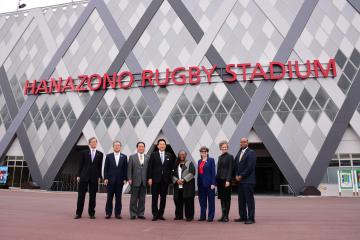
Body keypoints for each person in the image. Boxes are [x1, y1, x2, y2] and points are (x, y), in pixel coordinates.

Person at [75, 137, 103, 219]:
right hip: (83, 176)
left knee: (93, 196)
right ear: (89, 143)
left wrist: (99, 176)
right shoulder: (83, 152)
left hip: (94, 177)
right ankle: (78, 213)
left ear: (96, 143)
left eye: (95, 142)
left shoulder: (100, 154)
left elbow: (99, 167)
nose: (94, 143)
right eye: (92, 142)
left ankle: (91, 213)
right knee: (81, 196)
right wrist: (78, 175)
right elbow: (80, 165)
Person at [147, 139, 175, 221]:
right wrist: (150, 178)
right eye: (160, 144)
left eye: (163, 144)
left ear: (165, 146)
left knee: (163, 198)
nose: (162, 145)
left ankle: (161, 214)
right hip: (155, 180)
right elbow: (150, 167)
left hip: (165, 180)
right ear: (158, 146)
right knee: (154, 198)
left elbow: (171, 168)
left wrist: (171, 179)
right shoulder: (153, 154)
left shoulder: (169, 155)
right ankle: (155, 214)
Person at [234, 138, 256, 224]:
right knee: (241, 200)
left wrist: (241, 175)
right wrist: (236, 175)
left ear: (247, 143)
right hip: (240, 181)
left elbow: (250, 167)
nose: (242, 143)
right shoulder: (239, 153)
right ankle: (243, 216)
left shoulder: (251, 152)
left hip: (248, 181)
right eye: (241, 142)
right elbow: (236, 166)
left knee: (249, 200)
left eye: (244, 142)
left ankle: (251, 218)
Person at [103, 140, 128, 219]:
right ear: (113, 147)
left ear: (120, 147)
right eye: (115, 145)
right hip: (110, 181)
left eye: (118, 145)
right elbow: (106, 168)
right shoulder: (108, 156)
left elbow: (125, 169)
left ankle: (118, 213)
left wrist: (125, 178)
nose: (117, 146)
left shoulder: (124, 157)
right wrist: (105, 178)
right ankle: (108, 213)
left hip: (120, 181)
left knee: (118, 198)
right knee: (109, 198)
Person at [128, 141, 149, 220]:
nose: (141, 148)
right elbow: (129, 169)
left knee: (142, 199)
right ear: (137, 148)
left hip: (144, 181)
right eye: (139, 146)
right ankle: (133, 214)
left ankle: (141, 213)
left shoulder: (147, 157)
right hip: (134, 181)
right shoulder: (132, 157)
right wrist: (129, 178)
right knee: (133, 199)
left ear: (144, 148)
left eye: (142, 146)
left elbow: (148, 170)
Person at [172, 150, 195, 222]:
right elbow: (171, 174)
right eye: (180, 154)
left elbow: (192, 172)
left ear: (186, 155)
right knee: (177, 200)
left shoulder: (189, 163)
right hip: (177, 186)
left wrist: (184, 180)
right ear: (178, 155)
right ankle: (179, 215)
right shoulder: (176, 163)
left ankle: (189, 216)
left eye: (183, 154)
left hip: (187, 186)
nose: (182, 155)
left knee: (188, 201)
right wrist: (176, 180)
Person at [197, 146, 216, 222]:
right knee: (202, 201)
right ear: (200, 153)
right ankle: (202, 216)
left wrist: (213, 183)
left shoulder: (211, 160)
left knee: (211, 201)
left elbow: (213, 172)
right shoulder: (199, 161)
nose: (203, 153)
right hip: (201, 184)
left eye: (205, 151)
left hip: (209, 184)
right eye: (202, 151)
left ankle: (210, 217)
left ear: (207, 152)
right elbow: (199, 173)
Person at [216, 141, 234, 222]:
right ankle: (223, 215)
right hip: (220, 180)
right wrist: (216, 181)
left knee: (227, 198)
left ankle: (226, 216)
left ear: (227, 148)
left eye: (225, 147)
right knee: (222, 198)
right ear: (220, 148)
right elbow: (218, 170)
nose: (224, 148)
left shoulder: (230, 157)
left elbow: (231, 169)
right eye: (223, 147)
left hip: (226, 181)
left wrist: (228, 180)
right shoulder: (219, 157)